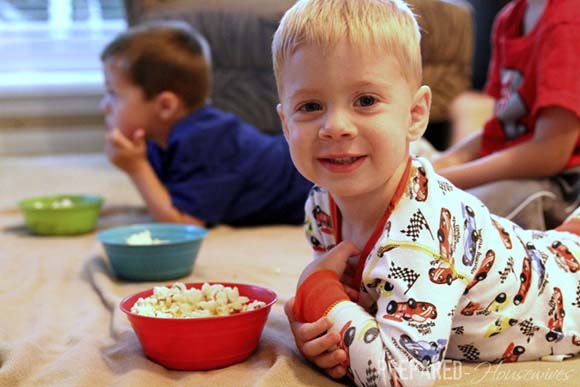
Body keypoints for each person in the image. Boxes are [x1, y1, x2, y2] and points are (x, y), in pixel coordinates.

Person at [271, 0, 580, 385]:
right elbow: (352, 305)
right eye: (311, 106)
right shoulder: (320, 205)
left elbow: (402, 374)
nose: (335, 126)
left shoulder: (418, 238)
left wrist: (316, 292)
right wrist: (317, 325)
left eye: (365, 101)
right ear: (285, 124)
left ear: (416, 115)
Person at [100, 20, 312, 227]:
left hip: (306, 181)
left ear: (165, 106)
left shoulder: (204, 142)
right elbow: (168, 195)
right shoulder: (157, 140)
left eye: (113, 93)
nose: (104, 106)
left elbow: (183, 225)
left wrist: (137, 169)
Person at [433, 0, 580, 230]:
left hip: (564, 185)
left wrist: (447, 179)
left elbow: (551, 154)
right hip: (524, 169)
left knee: (458, 218)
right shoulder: (510, 18)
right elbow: (500, 129)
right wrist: (440, 164)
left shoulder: (567, 23)